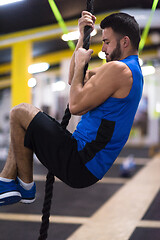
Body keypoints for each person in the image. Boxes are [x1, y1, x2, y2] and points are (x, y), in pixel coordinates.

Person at [0, 11, 143, 206]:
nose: (102, 49)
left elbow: (75, 106)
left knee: (20, 112)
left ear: (125, 42)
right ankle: (15, 185)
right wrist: (81, 39)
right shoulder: (132, 70)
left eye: (107, 42)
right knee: (23, 121)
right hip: (85, 163)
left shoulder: (119, 70)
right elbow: (75, 79)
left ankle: (18, 184)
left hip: (80, 160)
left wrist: (83, 62)